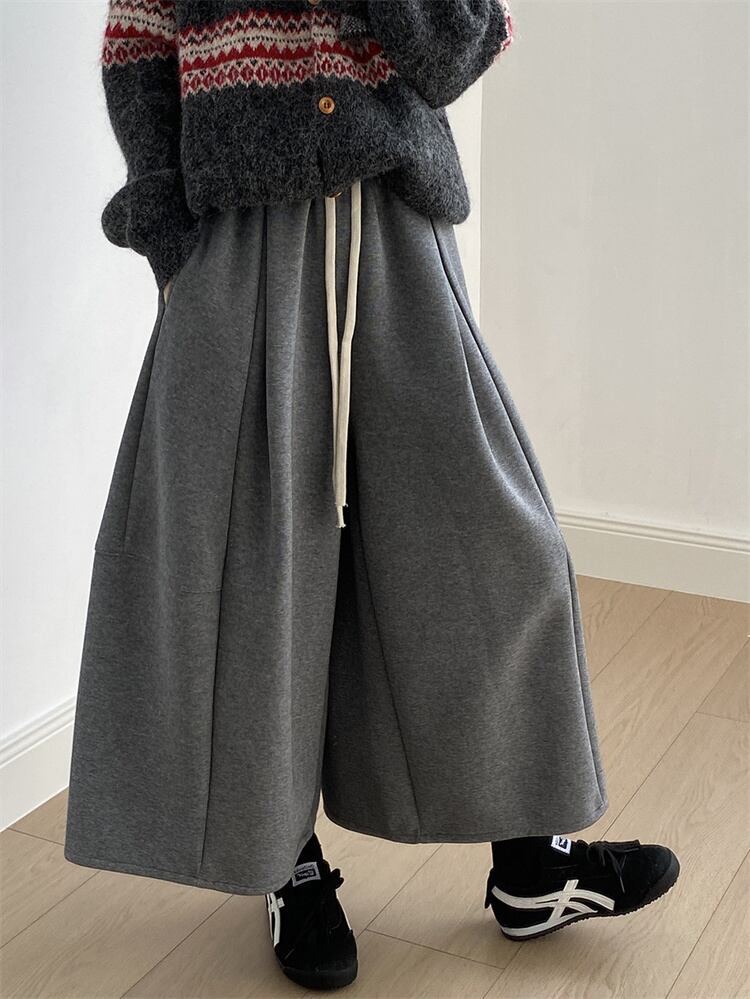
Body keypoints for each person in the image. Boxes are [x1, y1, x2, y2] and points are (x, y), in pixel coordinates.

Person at [64, 0, 680, 989]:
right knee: (259, 569)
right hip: (240, 240)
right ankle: (287, 867)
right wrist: (168, 235)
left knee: (496, 549)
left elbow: (452, 53)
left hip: (398, 229)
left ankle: (532, 865)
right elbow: (137, 47)